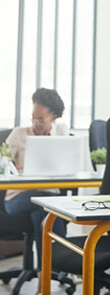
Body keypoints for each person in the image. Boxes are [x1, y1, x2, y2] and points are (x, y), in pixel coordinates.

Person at [4, 88, 68, 289]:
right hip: (17, 198)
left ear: (54, 117)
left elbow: (69, 165)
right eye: (33, 118)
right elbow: (2, 161)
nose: (35, 124)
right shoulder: (18, 134)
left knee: (40, 211)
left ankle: (45, 272)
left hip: (47, 200)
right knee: (45, 207)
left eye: (41, 120)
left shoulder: (62, 132)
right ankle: (51, 270)